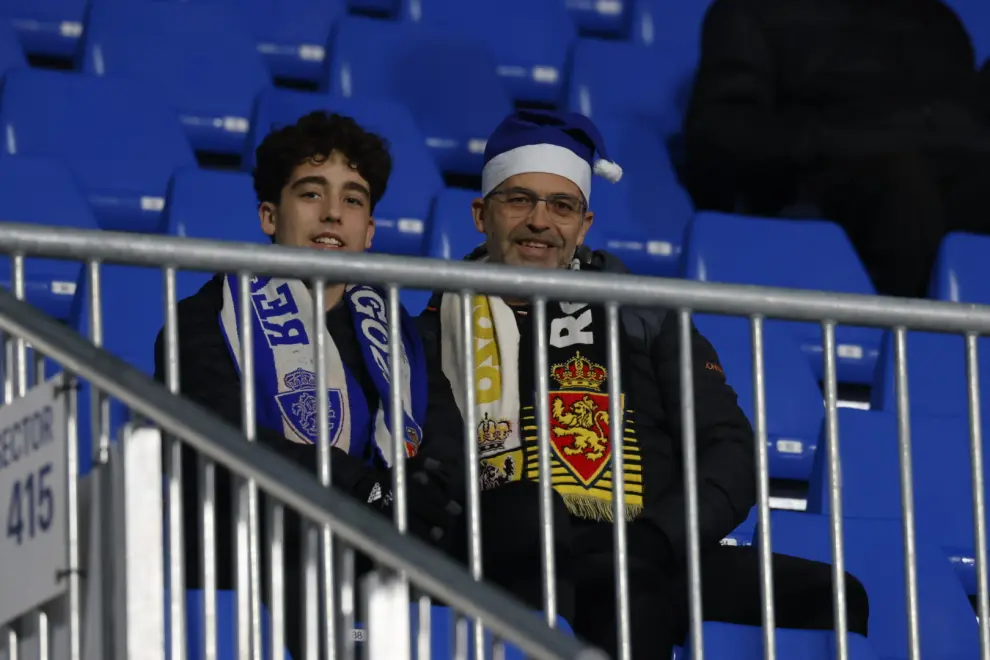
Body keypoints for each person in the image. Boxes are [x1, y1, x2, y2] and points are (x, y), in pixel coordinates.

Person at [418, 109, 870, 658]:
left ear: (583, 226)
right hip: (512, 551)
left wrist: (657, 538)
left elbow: (728, 451)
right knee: (618, 590)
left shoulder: (643, 313)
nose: (540, 221)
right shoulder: (431, 331)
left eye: (561, 206)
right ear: (480, 214)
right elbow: (432, 456)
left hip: (650, 544)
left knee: (833, 597)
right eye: (519, 200)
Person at [153, 111, 465, 658]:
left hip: (384, 543)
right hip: (263, 538)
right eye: (311, 193)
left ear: (369, 231)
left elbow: (443, 444)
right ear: (269, 215)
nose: (332, 213)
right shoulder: (205, 320)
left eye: (353, 200)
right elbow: (220, 439)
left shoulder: (407, 339)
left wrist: (411, 495)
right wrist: (357, 489)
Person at [683, 0, 990, 298]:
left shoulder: (935, 19)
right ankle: (907, 328)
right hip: (819, 187)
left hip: (940, 179)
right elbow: (721, 133)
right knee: (899, 177)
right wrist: (837, 139)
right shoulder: (749, 11)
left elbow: (965, 123)